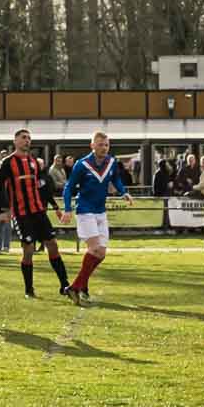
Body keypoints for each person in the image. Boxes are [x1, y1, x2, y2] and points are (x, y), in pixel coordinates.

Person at [0, 128, 71, 299]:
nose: (27, 140)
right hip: (21, 214)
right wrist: (3, 210)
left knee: (53, 245)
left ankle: (65, 285)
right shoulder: (8, 162)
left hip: (38, 211)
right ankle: (29, 289)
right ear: (15, 141)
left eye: (29, 138)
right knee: (28, 250)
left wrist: (55, 207)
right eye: (23, 137)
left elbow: (43, 187)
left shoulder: (33, 161)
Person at [61, 130, 132, 304]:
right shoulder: (82, 164)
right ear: (92, 145)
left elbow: (116, 180)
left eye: (106, 145)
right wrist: (68, 209)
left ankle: (78, 286)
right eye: (100, 144)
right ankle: (75, 287)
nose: (104, 148)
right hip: (85, 210)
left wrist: (124, 193)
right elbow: (69, 188)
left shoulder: (112, 162)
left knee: (101, 253)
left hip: (101, 211)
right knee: (94, 249)